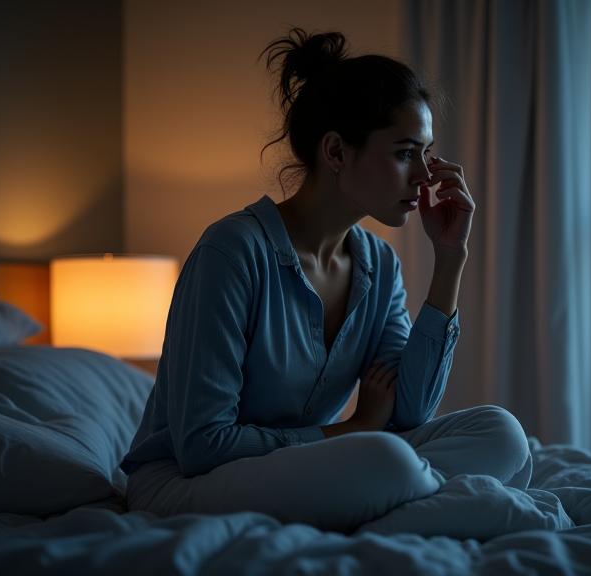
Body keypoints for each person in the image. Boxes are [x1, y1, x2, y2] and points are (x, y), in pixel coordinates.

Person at [121, 28, 532, 533]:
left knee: (501, 433)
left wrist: (450, 258)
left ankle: (396, 500)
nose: (425, 176)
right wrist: (350, 431)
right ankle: (418, 501)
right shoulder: (231, 253)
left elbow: (409, 411)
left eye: (427, 154)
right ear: (336, 151)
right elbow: (204, 445)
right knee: (385, 461)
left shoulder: (378, 266)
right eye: (406, 153)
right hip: (185, 482)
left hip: (316, 466)